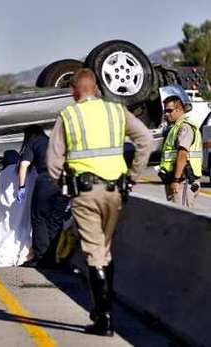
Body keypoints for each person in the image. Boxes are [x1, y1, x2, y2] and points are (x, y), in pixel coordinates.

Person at [47, 68, 153, 336]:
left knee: (95, 251)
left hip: (85, 192)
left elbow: (53, 160)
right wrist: (132, 176)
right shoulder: (116, 111)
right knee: (105, 248)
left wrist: (64, 184)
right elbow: (146, 140)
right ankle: (103, 309)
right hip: (115, 190)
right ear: (95, 88)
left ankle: (104, 318)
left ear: (74, 91)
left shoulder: (69, 114)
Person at [16, 125, 69, 268]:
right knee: (56, 219)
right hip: (64, 181)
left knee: (39, 218)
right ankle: (54, 257)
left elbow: (24, 165)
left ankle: (41, 257)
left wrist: (21, 187)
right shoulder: (54, 141)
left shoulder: (34, 142)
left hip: (46, 180)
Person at [0, 149, 35, 267]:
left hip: (7, 214)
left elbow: (0, 198)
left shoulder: (3, 174)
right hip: (24, 214)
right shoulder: (28, 173)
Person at [158, 88, 202, 208]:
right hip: (179, 180)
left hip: (183, 181)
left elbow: (182, 154)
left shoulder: (185, 127)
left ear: (179, 109)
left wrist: (176, 181)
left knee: (182, 220)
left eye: (169, 110)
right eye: (165, 111)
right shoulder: (174, 127)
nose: (166, 114)